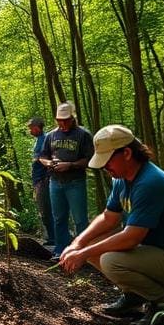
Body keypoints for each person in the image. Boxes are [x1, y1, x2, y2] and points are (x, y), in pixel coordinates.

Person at [59, 124, 164, 322]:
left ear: (127, 153)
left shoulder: (150, 183)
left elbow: (131, 238)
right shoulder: (121, 178)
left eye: (108, 160)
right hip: (152, 253)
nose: (104, 167)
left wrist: (83, 254)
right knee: (92, 243)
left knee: (111, 260)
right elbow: (109, 217)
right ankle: (135, 296)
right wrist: (78, 243)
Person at [39, 102, 93, 259]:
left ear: (72, 118)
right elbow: (42, 157)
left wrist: (70, 165)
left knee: (80, 219)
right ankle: (60, 250)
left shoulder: (83, 135)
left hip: (75, 182)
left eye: (65, 120)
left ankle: (82, 252)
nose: (62, 123)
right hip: (55, 182)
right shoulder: (51, 135)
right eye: (59, 120)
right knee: (58, 218)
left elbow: (89, 160)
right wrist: (49, 163)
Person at [27, 117, 54, 246]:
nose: (29, 130)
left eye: (31, 127)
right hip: (38, 181)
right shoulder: (38, 140)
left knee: (46, 209)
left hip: (44, 180)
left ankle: (53, 237)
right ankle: (51, 236)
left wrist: (46, 177)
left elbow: (46, 159)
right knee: (44, 209)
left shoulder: (45, 139)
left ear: (37, 127)